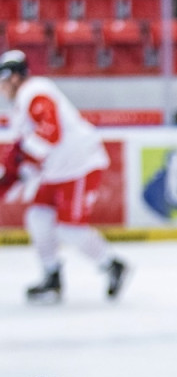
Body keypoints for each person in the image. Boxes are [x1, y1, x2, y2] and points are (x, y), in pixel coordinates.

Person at [0, 49, 127, 304]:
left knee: (70, 228)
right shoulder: (23, 103)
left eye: (3, 80)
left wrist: (21, 162)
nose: (2, 87)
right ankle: (52, 275)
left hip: (79, 165)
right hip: (59, 169)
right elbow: (21, 153)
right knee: (38, 216)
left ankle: (112, 265)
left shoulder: (35, 93)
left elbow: (50, 134)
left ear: (14, 78)